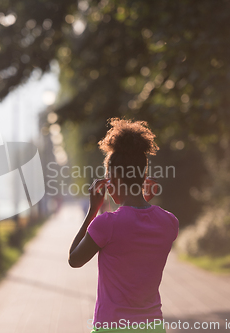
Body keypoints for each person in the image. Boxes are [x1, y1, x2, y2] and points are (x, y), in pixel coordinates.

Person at [69, 118, 179, 333]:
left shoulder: (106, 224)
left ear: (113, 180)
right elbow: (141, 218)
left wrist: (93, 210)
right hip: (152, 327)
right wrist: (141, 195)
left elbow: (74, 259)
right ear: (144, 177)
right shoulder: (169, 223)